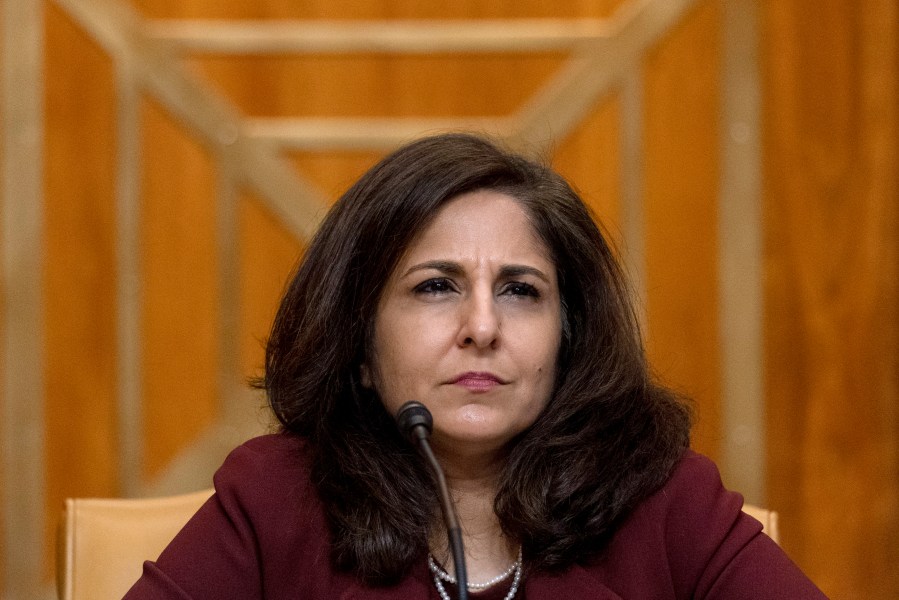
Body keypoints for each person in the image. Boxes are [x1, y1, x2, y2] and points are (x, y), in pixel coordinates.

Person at [124, 133, 827, 599]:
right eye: (436, 286)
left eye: (520, 291)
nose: (482, 328)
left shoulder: (664, 500)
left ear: (568, 338)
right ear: (360, 342)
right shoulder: (275, 498)